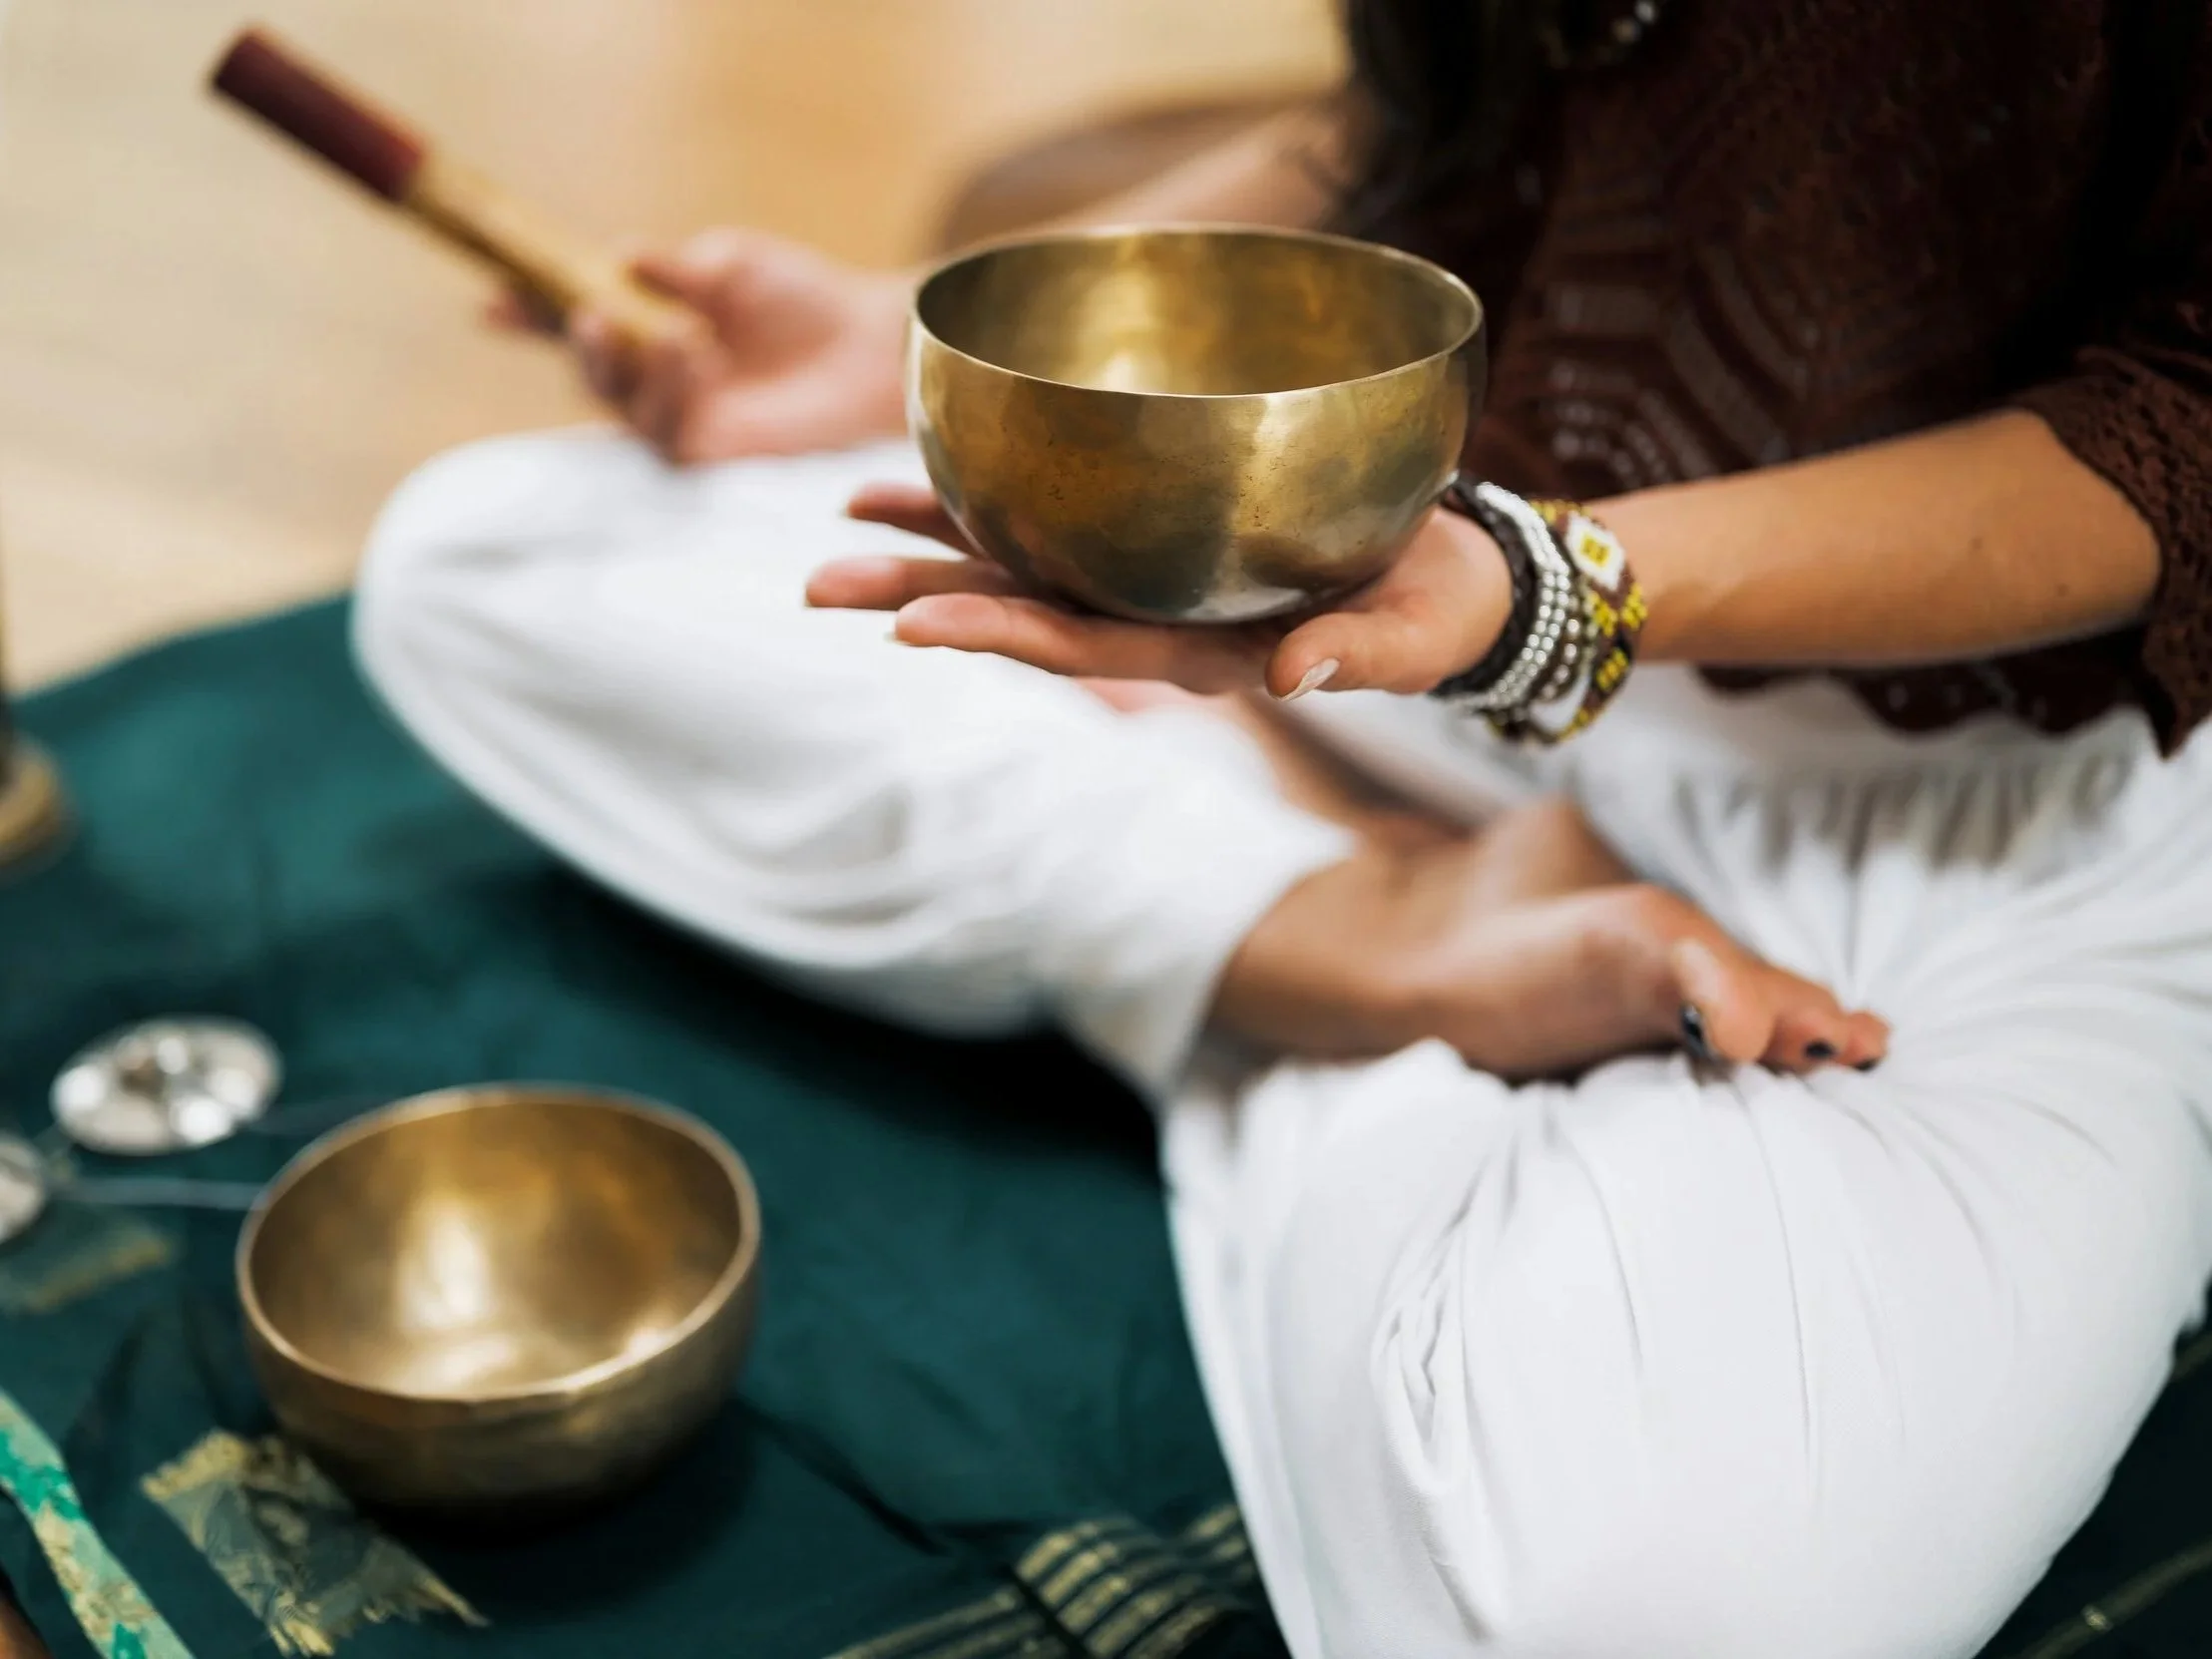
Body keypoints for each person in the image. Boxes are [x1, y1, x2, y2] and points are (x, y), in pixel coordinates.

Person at [356, 2, 2212, 1653]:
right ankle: (1365, 937)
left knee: (1626, 1618)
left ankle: (1263, 945)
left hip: (2005, 797)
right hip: (1430, 613)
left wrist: (1546, 590)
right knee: (483, 563)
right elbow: (1432, 106)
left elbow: (2186, 420)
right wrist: (936, 361)